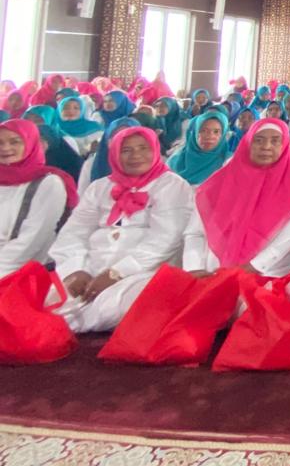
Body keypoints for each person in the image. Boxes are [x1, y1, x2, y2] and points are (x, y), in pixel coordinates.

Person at [50, 126, 194, 333]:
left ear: (155, 151)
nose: (136, 156)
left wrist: (116, 273)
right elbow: (74, 231)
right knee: (46, 297)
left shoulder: (171, 185)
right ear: (115, 154)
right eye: (126, 150)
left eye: (143, 148)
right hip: (92, 265)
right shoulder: (100, 187)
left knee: (115, 307)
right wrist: (75, 269)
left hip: (144, 272)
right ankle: (64, 322)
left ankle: (66, 326)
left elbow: (166, 239)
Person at [184, 119, 290, 278]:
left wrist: (254, 267)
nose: (266, 147)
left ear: (285, 145)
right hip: (212, 269)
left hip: (267, 271)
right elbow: (196, 230)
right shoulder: (227, 176)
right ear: (247, 143)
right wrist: (194, 267)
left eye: (275, 141)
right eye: (258, 140)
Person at [0, 120, 74, 275]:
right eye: (0, 142)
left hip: (20, 270)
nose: (5, 148)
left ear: (30, 143)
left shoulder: (48, 183)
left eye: (15, 142)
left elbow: (34, 240)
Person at [166, 111, 231, 186]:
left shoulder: (227, 164)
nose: (209, 136)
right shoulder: (175, 160)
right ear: (195, 133)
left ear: (223, 135)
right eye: (203, 130)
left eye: (216, 132)